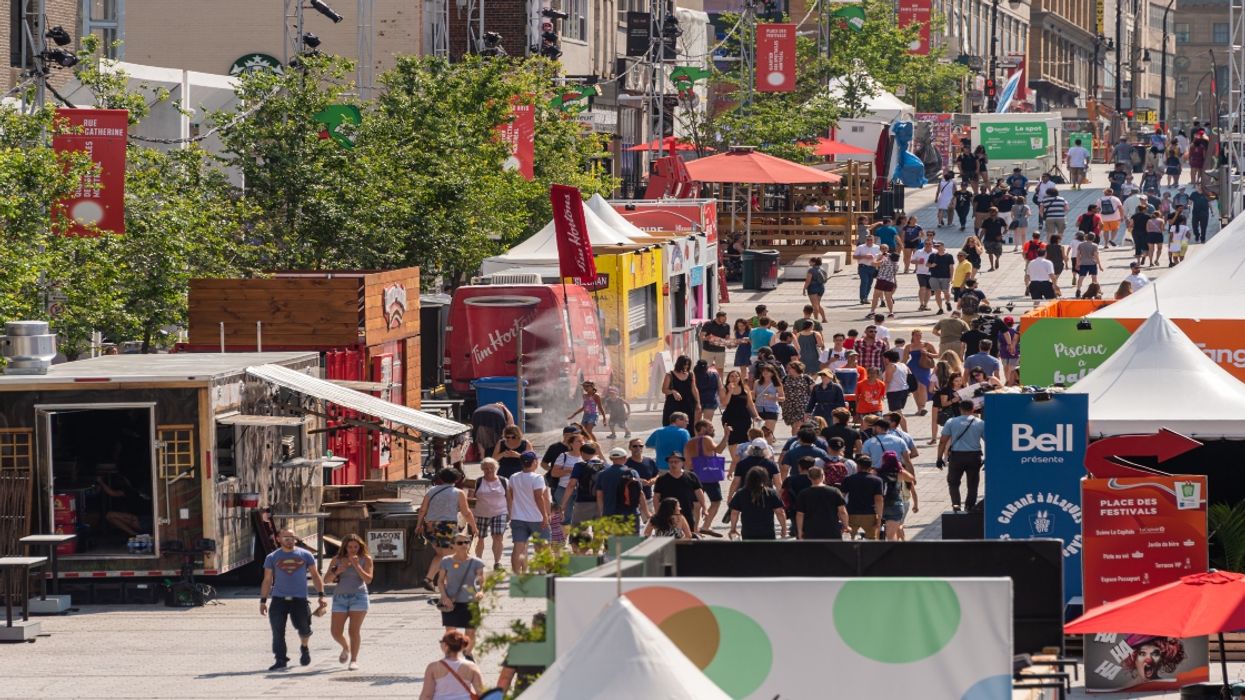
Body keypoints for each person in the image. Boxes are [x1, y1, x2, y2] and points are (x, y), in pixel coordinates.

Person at [260, 529, 326, 670]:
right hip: (278, 599)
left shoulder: (305, 555)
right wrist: (263, 601)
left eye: (292, 537)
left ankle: (304, 647)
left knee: (304, 629)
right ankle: (280, 659)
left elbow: (315, 575)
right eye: (286, 537)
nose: (290, 540)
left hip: (299, 599)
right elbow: (267, 580)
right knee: (277, 631)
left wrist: (321, 595)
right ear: (278, 539)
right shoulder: (272, 557)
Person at [416, 468, 478, 591]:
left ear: (441, 478)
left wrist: (419, 525)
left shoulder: (431, 491)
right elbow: (466, 512)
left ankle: (428, 579)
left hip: (430, 526)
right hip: (447, 527)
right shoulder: (458, 492)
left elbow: (422, 509)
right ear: (457, 479)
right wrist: (474, 526)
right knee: (451, 556)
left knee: (440, 554)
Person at [324, 533, 373, 670]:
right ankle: (346, 647)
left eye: (356, 547)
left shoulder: (366, 559)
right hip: (340, 598)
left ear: (360, 547)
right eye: (350, 547)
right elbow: (326, 580)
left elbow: (368, 579)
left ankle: (354, 660)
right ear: (344, 547)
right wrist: (337, 571)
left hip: (359, 597)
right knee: (335, 632)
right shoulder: (337, 559)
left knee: (354, 631)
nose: (352, 550)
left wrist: (357, 566)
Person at [437, 533, 486, 657]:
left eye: (466, 542)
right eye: (460, 543)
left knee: (471, 632)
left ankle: (467, 655)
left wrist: (480, 592)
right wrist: (444, 597)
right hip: (451, 602)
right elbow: (440, 581)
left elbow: (481, 581)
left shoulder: (477, 562)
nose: (464, 545)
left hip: (470, 602)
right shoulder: (446, 561)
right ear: (453, 545)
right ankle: (451, 656)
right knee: (450, 633)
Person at [684, 419, 730, 536]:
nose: (713, 429)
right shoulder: (706, 439)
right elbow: (719, 449)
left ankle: (694, 529)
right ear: (703, 428)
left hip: (693, 475)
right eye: (710, 427)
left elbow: (687, 463)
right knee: (716, 500)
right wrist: (726, 435)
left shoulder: (689, 443)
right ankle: (705, 526)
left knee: (696, 504)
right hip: (708, 474)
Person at [938, 400, 985, 512]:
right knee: (973, 484)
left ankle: (956, 504)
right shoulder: (980, 423)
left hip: (957, 456)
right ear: (973, 409)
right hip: (974, 456)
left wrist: (939, 458)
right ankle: (969, 506)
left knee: (953, 482)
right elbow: (990, 441)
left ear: (960, 409)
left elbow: (942, 441)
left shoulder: (951, 422)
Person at [508, 451, 551, 574]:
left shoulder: (513, 477)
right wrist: (545, 516)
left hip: (518, 517)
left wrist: (511, 513)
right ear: (534, 462)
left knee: (518, 548)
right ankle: (542, 571)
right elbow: (539, 497)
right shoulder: (538, 478)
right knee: (543, 546)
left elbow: (510, 496)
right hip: (536, 518)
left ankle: (516, 574)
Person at [419, 630, 484, 700]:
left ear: (445, 645)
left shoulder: (433, 667)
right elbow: (482, 693)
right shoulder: (471, 666)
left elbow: (427, 695)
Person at [470, 459, 509, 570]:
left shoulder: (504, 481)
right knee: (480, 538)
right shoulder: (477, 481)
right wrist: (470, 516)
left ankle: (497, 562)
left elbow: (509, 497)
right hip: (480, 513)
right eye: (486, 468)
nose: (489, 470)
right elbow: (471, 499)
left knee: (498, 537)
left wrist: (510, 511)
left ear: (496, 468)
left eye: (491, 467)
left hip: (500, 512)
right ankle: (478, 561)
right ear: (482, 469)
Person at [728, 465, 786, 540]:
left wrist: (733, 529)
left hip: (748, 532)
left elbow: (734, 512)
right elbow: (780, 512)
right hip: (767, 532)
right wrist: (784, 529)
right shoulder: (771, 493)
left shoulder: (741, 493)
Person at [599, 447, 651, 529]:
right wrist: (647, 513)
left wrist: (602, 512)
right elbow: (640, 493)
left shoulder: (602, 474)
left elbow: (599, 495)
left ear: (611, 458)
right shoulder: (631, 472)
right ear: (625, 458)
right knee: (630, 541)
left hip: (609, 514)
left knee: (612, 541)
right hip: (630, 514)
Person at [795, 466, 850, 539]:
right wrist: (846, 526)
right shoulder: (835, 491)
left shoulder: (803, 493)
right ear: (823, 476)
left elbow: (800, 514)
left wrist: (800, 531)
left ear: (809, 477)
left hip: (811, 531)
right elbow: (842, 511)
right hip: (832, 530)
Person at [654, 453, 706, 529]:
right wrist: (657, 512)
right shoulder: (662, 479)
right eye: (670, 462)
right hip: (667, 514)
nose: (673, 464)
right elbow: (656, 497)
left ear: (682, 463)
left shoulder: (691, 476)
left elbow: (699, 492)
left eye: (676, 462)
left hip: (687, 511)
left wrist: (704, 508)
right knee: (669, 536)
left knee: (689, 535)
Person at [841, 455, 884, 540]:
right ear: (870, 467)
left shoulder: (849, 479)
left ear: (858, 466)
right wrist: (879, 519)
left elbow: (842, 497)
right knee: (871, 539)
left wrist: (841, 516)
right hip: (869, 514)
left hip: (852, 512)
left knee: (850, 539)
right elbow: (879, 500)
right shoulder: (877, 480)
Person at [877, 451, 917, 541]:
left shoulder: (877, 472)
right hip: (895, 505)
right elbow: (912, 478)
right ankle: (892, 552)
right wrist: (900, 468)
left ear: (883, 461)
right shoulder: (899, 473)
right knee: (891, 535)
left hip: (879, 505)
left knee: (876, 534)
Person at [561, 443, 605, 525]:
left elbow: (571, 485)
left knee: (579, 532)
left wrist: (563, 504)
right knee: (599, 533)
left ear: (582, 453)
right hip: (601, 503)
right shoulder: (605, 466)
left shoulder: (579, 466)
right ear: (595, 453)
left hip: (583, 502)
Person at [660, 355, 699, 426]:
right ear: (679, 364)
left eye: (688, 365)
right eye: (684, 364)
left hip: (688, 404)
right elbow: (664, 390)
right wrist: (673, 392)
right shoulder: (670, 375)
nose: (686, 366)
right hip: (673, 404)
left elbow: (694, 389)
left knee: (688, 425)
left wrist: (698, 403)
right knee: (671, 424)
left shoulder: (691, 374)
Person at [927, 241, 955, 314]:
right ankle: (940, 308)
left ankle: (947, 302)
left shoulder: (949, 256)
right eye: (935, 246)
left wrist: (951, 277)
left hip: (945, 276)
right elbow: (927, 264)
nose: (937, 247)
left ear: (943, 246)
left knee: (946, 292)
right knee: (937, 293)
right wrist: (931, 265)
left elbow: (951, 267)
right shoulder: (932, 255)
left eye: (938, 246)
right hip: (934, 276)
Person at [854, 233, 881, 304]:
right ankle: (862, 298)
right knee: (864, 282)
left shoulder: (877, 247)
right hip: (863, 267)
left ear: (873, 240)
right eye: (868, 240)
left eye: (871, 240)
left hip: (872, 267)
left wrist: (878, 263)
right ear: (865, 240)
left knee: (869, 283)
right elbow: (854, 257)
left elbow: (879, 257)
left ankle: (866, 297)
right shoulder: (860, 247)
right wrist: (864, 256)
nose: (869, 241)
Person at [870, 246, 898, 317]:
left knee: (876, 296)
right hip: (890, 280)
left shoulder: (883, 258)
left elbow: (874, 263)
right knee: (888, 297)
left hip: (882, 279)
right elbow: (895, 270)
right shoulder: (895, 260)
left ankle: (872, 311)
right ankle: (891, 312)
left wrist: (879, 258)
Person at [803, 257, 829, 322]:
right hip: (821, 287)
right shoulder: (822, 269)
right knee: (817, 304)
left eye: (810, 261)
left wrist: (804, 288)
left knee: (815, 305)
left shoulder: (811, 270)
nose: (809, 262)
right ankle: (824, 318)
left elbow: (808, 281)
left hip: (813, 287)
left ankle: (816, 320)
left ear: (814, 262)